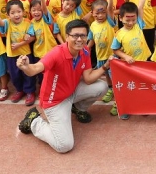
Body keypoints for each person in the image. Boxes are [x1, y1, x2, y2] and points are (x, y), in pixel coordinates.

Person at [17, 19, 110, 153]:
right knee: (64, 146)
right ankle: (34, 122)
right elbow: (35, 69)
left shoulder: (84, 51)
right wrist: (25, 67)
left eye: (83, 35)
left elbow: (88, 79)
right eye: (75, 36)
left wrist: (105, 66)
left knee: (101, 87)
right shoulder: (56, 53)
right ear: (67, 37)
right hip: (55, 101)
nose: (79, 39)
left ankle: (78, 108)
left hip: (71, 92)